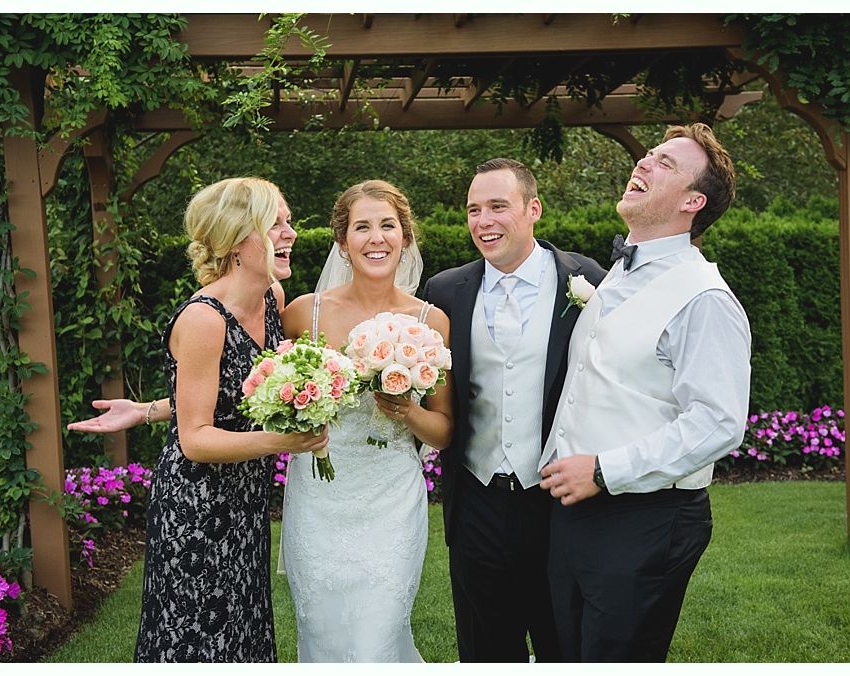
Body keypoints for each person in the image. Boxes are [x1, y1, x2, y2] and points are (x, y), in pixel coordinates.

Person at [70, 177, 331, 662]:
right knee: (198, 642)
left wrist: (148, 410)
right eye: (276, 223)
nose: (291, 232)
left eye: (288, 220)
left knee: (242, 636)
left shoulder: (270, 299)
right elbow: (196, 439)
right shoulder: (203, 319)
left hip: (245, 504)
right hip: (198, 508)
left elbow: (226, 400)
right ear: (237, 239)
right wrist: (285, 441)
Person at [538, 123, 752, 662]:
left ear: (692, 201)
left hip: (646, 519)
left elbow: (718, 423)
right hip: (576, 514)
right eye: (649, 154)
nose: (644, 163)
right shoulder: (616, 274)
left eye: (665, 163)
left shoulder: (704, 298)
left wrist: (606, 470)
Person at [423, 158, 605, 662]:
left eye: (498, 207)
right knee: (485, 649)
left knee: (562, 641)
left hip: (557, 497)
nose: (484, 221)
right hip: (476, 498)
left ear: (533, 210)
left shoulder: (585, 279)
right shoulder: (444, 291)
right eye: (473, 210)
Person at [279, 179, 453, 662]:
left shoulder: (429, 320)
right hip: (318, 497)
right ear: (342, 242)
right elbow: (260, 391)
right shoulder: (301, 315)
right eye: (362, 227)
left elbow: (443, 431)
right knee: (322, 630)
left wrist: (408, 410)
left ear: (406, 237)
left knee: (377, 633)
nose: (376, 238)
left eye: (388, 226)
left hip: (391, 498)